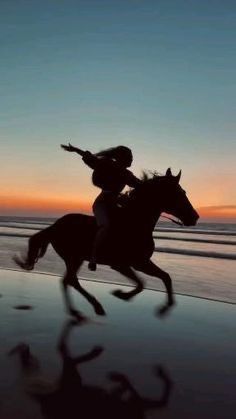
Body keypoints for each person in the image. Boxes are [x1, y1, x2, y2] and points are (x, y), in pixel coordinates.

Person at [61, 143, 141, 271]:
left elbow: (141, 185)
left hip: (116, 204)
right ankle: (93, 257)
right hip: (102, 204)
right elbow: (90, 158)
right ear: (121, 158)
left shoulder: (127, 174)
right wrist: (75, 149)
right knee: (105, 226)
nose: (132, 159)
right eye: (130, 157)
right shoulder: (107, 165)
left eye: (132, 157)